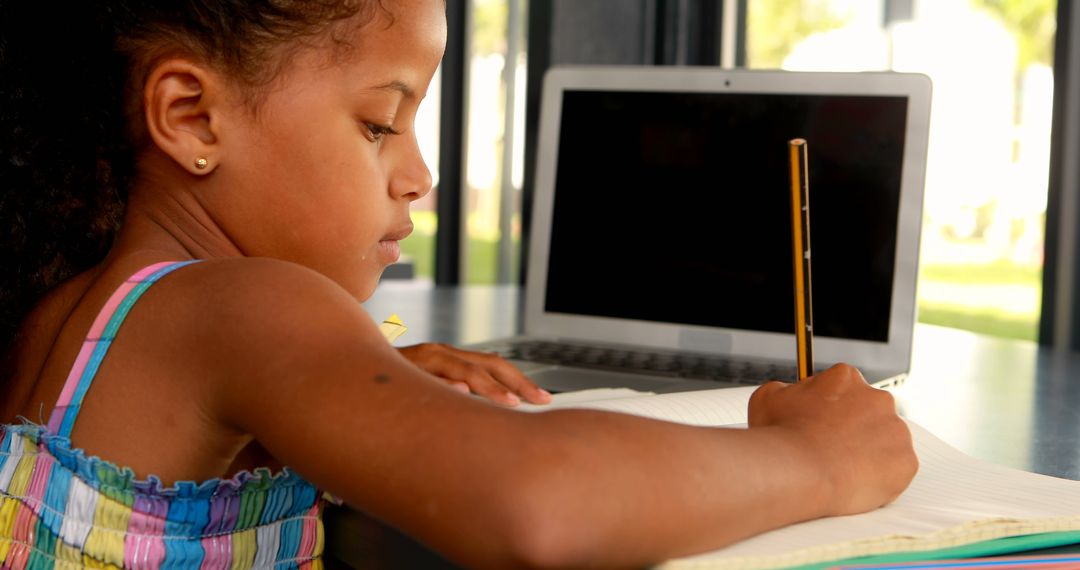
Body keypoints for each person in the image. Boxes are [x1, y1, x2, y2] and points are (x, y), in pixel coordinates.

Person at [0, 1, 918, 567]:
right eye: (379, 125)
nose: (419, 177)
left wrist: (373, 377)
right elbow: (540, 508)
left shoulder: (68, 309)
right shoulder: (252, 305)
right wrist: (819, 459)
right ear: (191, 116)